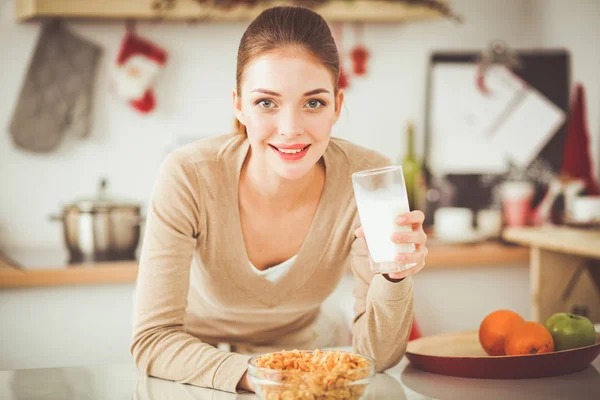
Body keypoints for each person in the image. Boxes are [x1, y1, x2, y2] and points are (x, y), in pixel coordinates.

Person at [130, 5, 428, 394]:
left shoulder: (368, 178)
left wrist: (394, 275)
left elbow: (379, 358)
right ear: (239, 105)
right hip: (197, 370)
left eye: (313, 102)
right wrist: (267, 376)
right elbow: (153, 340)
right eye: (266, 103)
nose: (290, 130)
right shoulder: (188, 174)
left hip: (307, 365)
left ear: (337, 106)